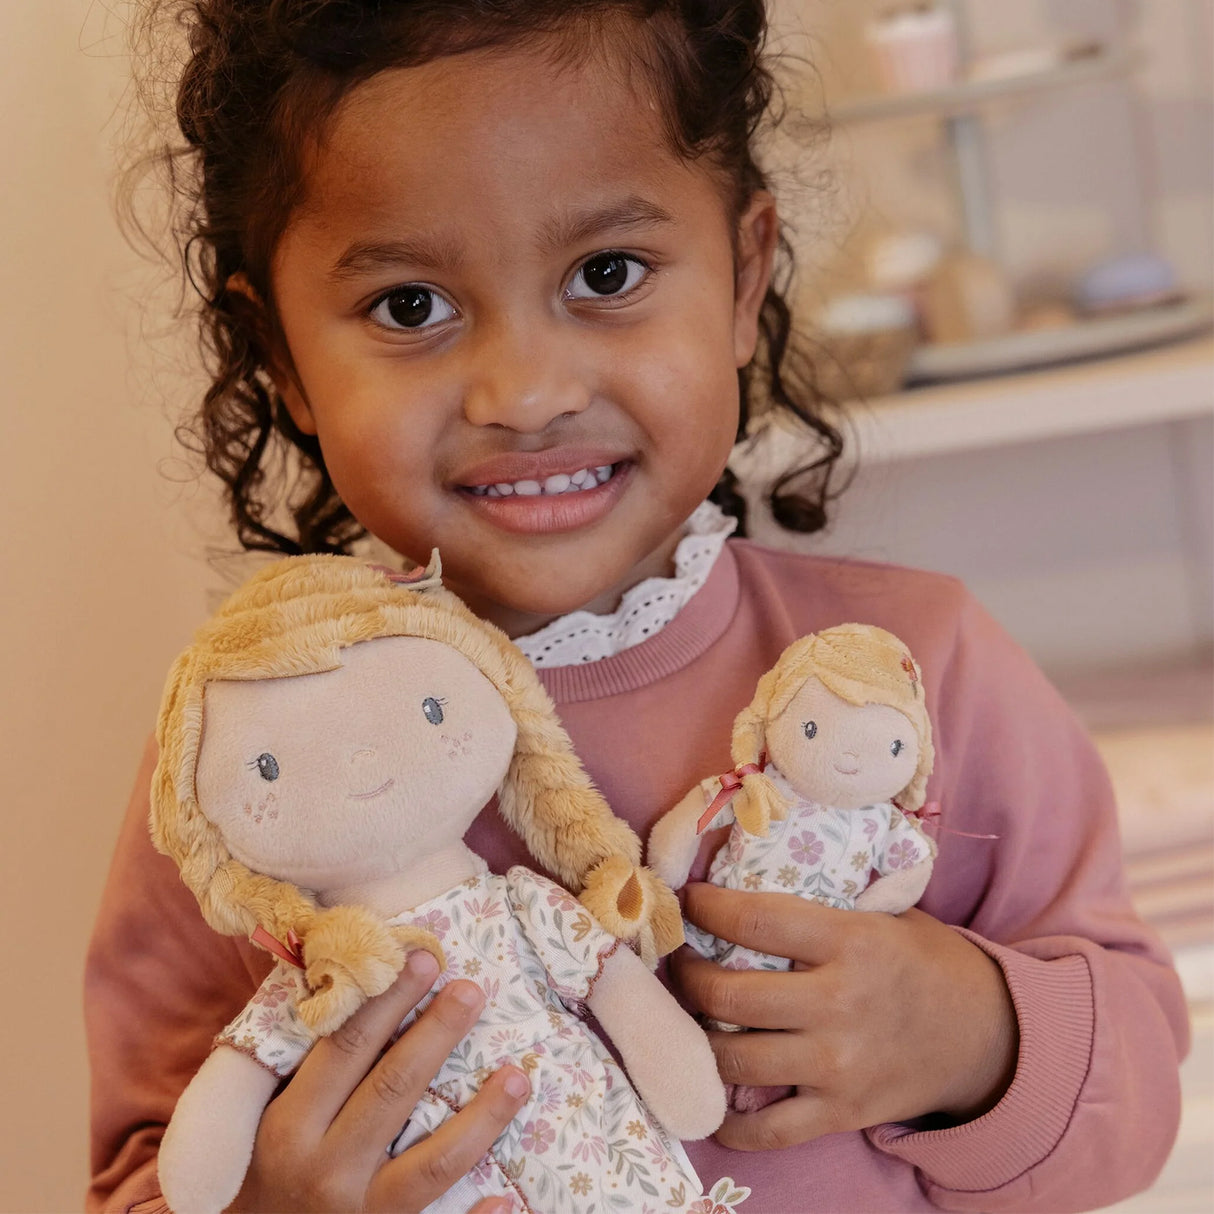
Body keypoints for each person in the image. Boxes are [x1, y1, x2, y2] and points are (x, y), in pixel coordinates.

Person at [86, 2, 1188, 1212]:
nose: (525, 391)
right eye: (410, 305)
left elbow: (1130, 1090)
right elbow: (141, 1161)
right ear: (281, 355)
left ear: (741, 278)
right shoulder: (244, 760)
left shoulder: (916, 666)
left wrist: (976, 1036)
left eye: (604, 275)